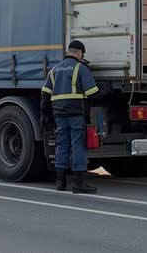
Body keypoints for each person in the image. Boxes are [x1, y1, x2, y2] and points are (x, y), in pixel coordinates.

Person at [39, 40, 103, 194]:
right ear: (80, 53)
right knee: (78, 145)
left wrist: (44, 115)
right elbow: (93, 93)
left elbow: (45, 95)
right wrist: (106, 91)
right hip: (76, 113)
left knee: (62, 144)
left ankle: (60, 182)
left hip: (59, 114)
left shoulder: (54, 70)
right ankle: (79, 183)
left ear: (69, 51)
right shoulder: (81, 68)